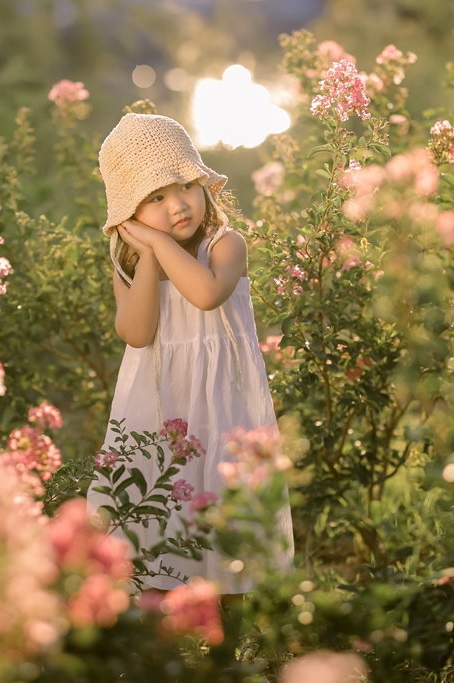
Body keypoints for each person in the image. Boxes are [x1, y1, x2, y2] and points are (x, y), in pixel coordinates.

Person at [86, 112, 294, 595]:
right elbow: (136, 334)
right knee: (154, 522)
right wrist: (148, 257)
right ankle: (163, 651)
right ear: (128, 213)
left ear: (203, 185)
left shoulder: (226, 245)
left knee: (231, 525)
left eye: (184, 185)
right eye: (155, 198)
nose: (177, 204)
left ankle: (238, 653)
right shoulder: (129, 263)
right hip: (159, 412)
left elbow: (204, 294)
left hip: (222, 411)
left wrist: (157, 238)